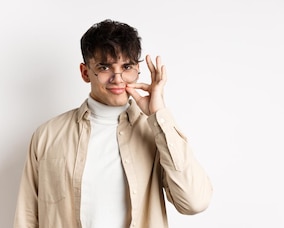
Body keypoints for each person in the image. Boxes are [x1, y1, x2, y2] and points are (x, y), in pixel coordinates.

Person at [13, 19, 213, 228]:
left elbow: (194, 202)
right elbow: (26, 217)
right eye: (105, 67)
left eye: (127, 67)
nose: (117, 79)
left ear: (137, 69)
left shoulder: (155, 132)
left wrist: (158, 114)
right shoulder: (48, 135)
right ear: (85, 72)